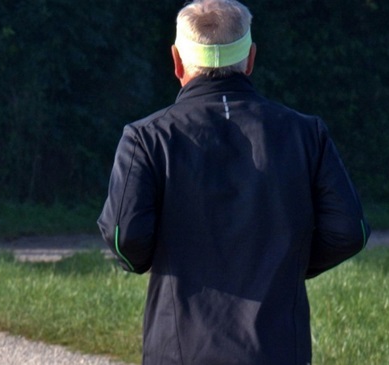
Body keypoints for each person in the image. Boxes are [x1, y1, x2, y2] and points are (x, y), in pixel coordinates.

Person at [96, 0, 370, 364]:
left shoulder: (146, 137)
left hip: (180, 350)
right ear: (251, 58)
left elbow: (125, 239)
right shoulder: (306, 133)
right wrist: (283, 265)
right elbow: (349, 232)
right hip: (277, 349)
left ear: (177, 61)